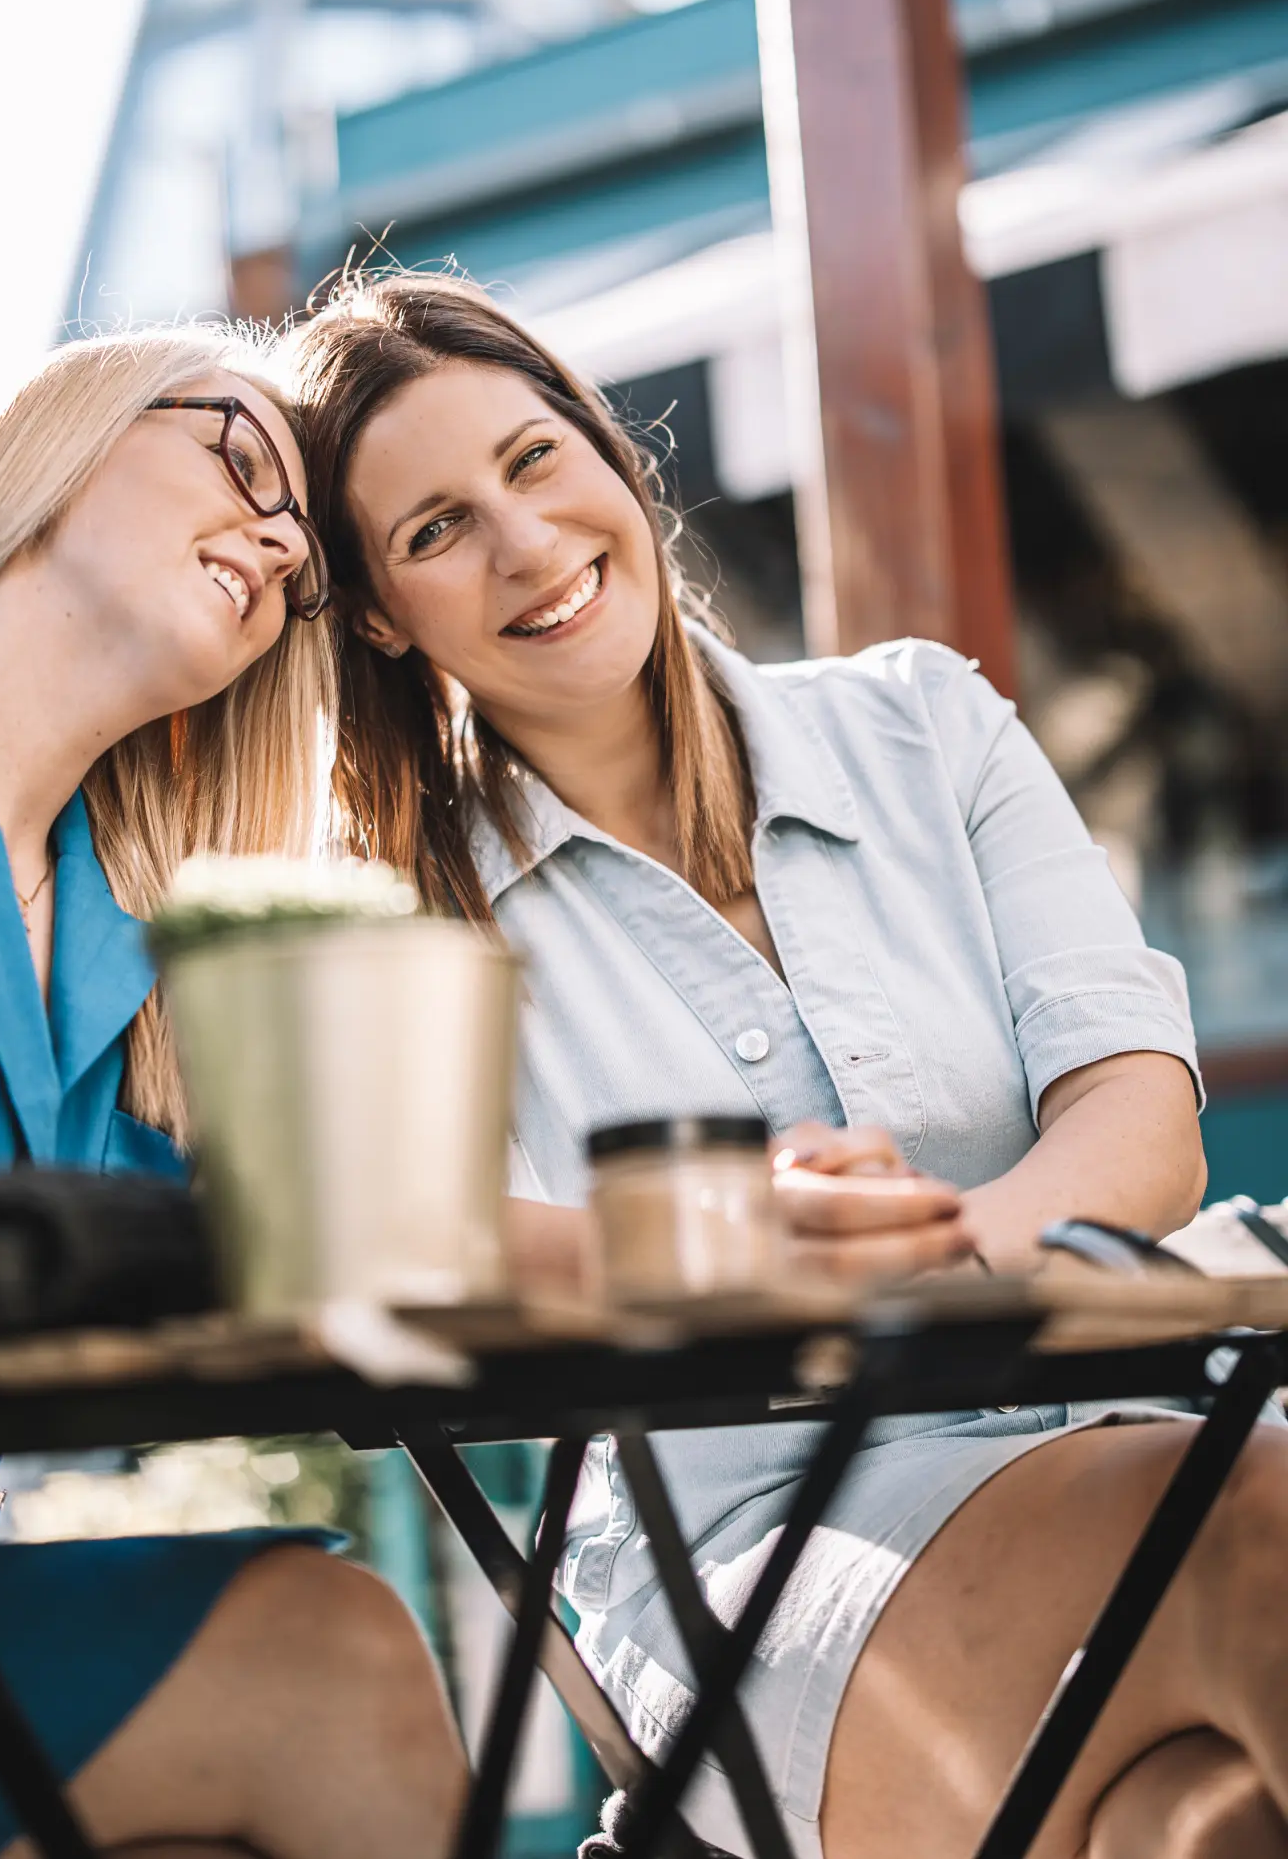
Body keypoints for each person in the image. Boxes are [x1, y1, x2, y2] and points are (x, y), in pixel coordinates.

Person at [292, 269, 1288, 1859]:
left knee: (1203, 1824)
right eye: (434, 531)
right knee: (1260, 1525)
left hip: (1115, 1418)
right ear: (370, 612)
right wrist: (721, 1240)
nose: (527, 545)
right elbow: (420, 1243)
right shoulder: (404, 925)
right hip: (753, 1558)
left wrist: (930, 1262)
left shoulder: (925, 727)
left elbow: (1137, 1114)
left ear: (612, 457)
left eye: (537, 460)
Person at [0, 326, 465, 1859]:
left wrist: (740, 1223)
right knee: (331, 1665)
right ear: (49, 451)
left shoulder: (131, 981)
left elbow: (323, 1245)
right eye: (241, 458)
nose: (276, 536)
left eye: (306, 557)